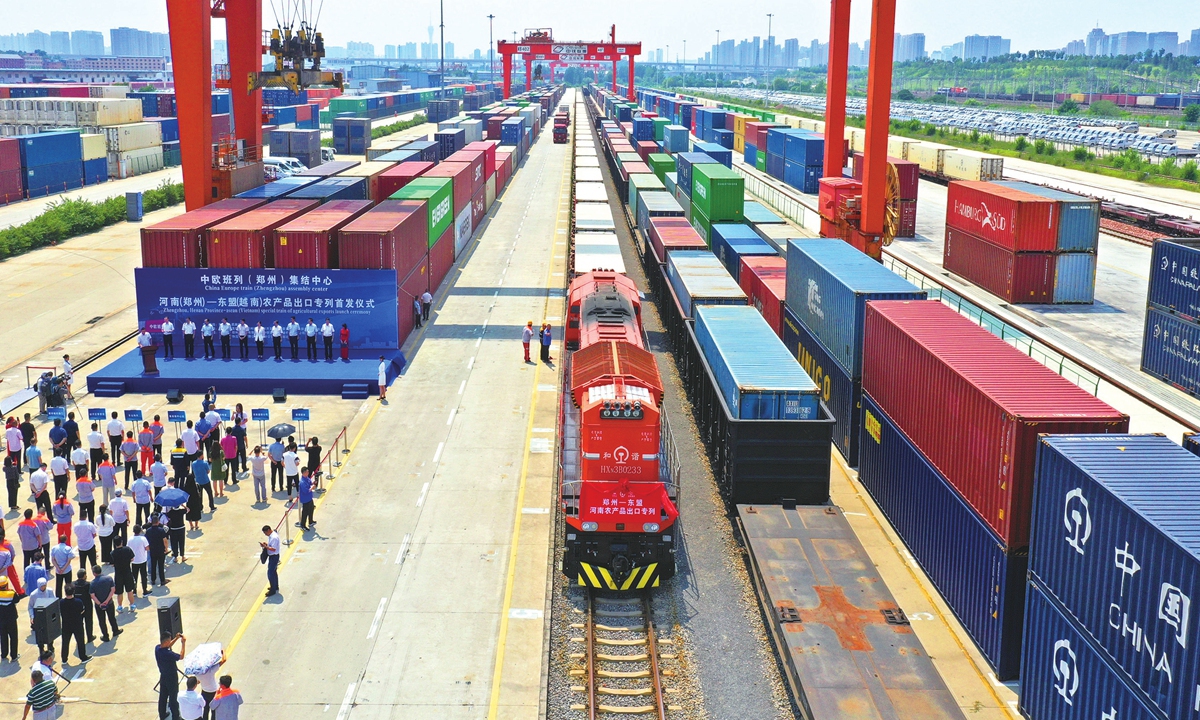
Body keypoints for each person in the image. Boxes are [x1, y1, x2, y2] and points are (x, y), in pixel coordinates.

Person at [156, 631, 186, 720]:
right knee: (173, 698)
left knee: (163, 697)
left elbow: (168, 645)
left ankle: (162, 714)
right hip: (171, 678)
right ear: (165, 642)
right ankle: (176, 717)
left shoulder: (157, 648)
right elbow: (181, 656)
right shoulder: (168, 654)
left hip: (163, 676)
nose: (170, 642)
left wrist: (176, 638)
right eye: (169, 640)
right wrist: (183, 643)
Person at [89, 565, 120, 642]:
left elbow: (92, 595)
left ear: (94, 573)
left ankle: (105, 636)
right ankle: (115, 631)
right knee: (112, 617)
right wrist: (107, 600)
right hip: (109, 603)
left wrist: (100, 604)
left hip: (99, 606)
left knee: (102, 621)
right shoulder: (109, 578)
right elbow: (113, 590)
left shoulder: (92, 583)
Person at [59, 585, 88, 664]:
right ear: (73, 592)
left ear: (65, 592)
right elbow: (82, 611)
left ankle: (64, 659)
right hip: (77, 625)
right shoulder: (78, 602)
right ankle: (83, 657)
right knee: (80, 641)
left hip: (66, 625)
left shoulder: (61, 602)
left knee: (65, 642)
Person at [195, 646, 226, 715]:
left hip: (204, 691)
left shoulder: (197, 673)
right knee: (214, 710)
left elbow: (198, 681)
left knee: (206, 710)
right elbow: (224, 660)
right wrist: (223, 651)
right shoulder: (210, 671)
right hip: (213, 691)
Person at [109, 536, 134, 611]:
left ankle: (120, 607)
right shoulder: (127, 549)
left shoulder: (112, 553)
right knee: (129, 590)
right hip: (127, 572)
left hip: (118, 574)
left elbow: (112, 564)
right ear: (121, 542)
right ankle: (132, 605)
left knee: (119, 592)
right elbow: (132, 559)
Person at [72, 569, 94, 644]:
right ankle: (90, 637)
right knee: (88, 621)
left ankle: (80, 638)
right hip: (87, 605)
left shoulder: (73, 584)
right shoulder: (88, 584)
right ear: (84, 576)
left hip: (76, 607)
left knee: (79, 623)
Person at [146, 515, 168, 586]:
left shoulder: (148, 531)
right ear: (158, 522)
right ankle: (162, 580)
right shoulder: (161, 530)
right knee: (161, 565)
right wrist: (166, 548)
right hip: (160, 550)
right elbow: (165, 540)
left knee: (153, 565)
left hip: (152, 550)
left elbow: (146, 541)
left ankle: (153, 580)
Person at [128, 525, 150, 595]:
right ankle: (145, 591)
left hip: (134, 561)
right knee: (143, 576)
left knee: (134, 576)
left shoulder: (130, 539)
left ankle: (134, 591)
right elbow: (147, 548)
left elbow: (128, 549)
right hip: (142, 560)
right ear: (140, 531)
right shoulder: (143, 538)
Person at [0, 576, 17, 661]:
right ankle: (14, 656)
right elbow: (17, 600)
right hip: (11, 619)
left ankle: (3, 654)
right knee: (13, 637)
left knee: (3, 637)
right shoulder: (11, 593)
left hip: (1, 620)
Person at [261, 525, 280, 596]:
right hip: (273, 557)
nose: (265, 534)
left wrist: (266, 547)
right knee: (273, 572)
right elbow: (271, 545)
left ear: (269, 530)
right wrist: (267, 545)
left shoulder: (274, 537)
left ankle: (273, 590)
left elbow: (273, 549)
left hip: (274, 557)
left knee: (270, 573)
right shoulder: (271, 536)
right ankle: (275, 586)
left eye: (265, 533)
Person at [166, 498, 187, 563]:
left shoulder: (170, 512)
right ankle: (183, 556)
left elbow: (167, 515)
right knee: (181, 542)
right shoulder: (181, 511)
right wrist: (183, 505)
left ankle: (175, 557)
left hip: (173, 529)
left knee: (174, 543)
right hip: (181, 528)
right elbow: (188, 510)